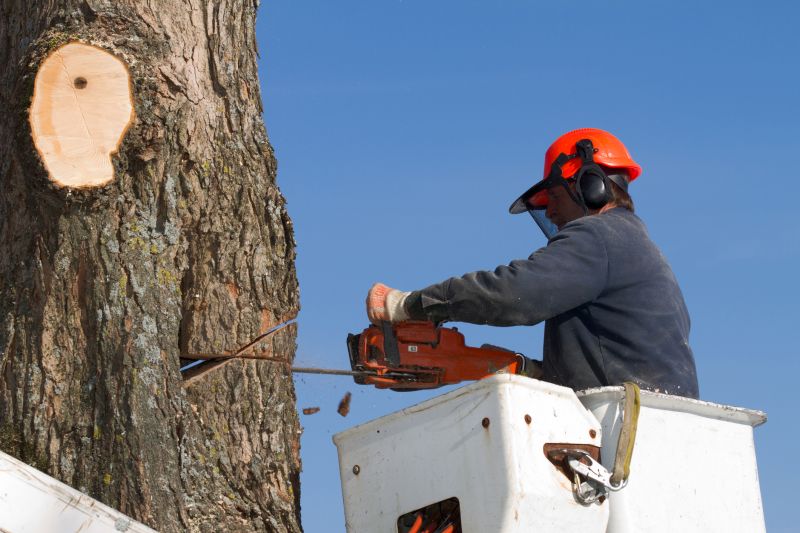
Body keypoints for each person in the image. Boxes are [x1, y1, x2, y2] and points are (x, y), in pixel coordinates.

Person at [366, 128, 699, 398]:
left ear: (590, 186)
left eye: (553, 197)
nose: (550, 212)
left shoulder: (599, 236)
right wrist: (531, 372)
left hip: (625, 423)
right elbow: (614, 354)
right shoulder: (636, 247)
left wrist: (413, 304)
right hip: (651, 421)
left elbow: (514, 293)